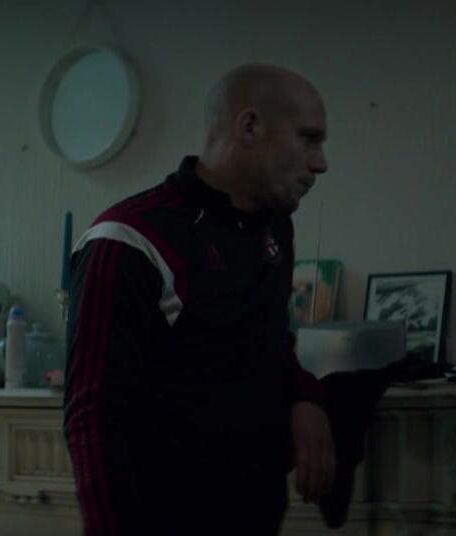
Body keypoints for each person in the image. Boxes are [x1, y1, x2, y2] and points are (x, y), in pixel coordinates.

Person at [63, 63, 336, 535]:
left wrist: (306, 398)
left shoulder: (275, 228)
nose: (321, 163)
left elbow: (267, 340)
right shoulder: (128, 240)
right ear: (249, 127)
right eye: (308, 139)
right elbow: (95, 418)